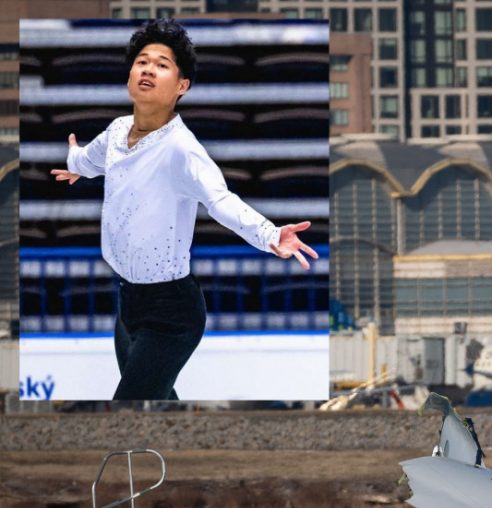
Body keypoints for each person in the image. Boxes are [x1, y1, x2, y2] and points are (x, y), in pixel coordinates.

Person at [51, 18, 318, 401]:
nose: (148, 69)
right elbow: (91, 159)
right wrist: (75, 163)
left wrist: (271, 235)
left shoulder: (181, 149)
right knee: (155, 403)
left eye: (161, 64)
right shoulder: (115, 132)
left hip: (171, 312)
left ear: (181, 86)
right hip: (128, 305)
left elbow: (220, 200)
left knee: (130, 405)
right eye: (142, 61)